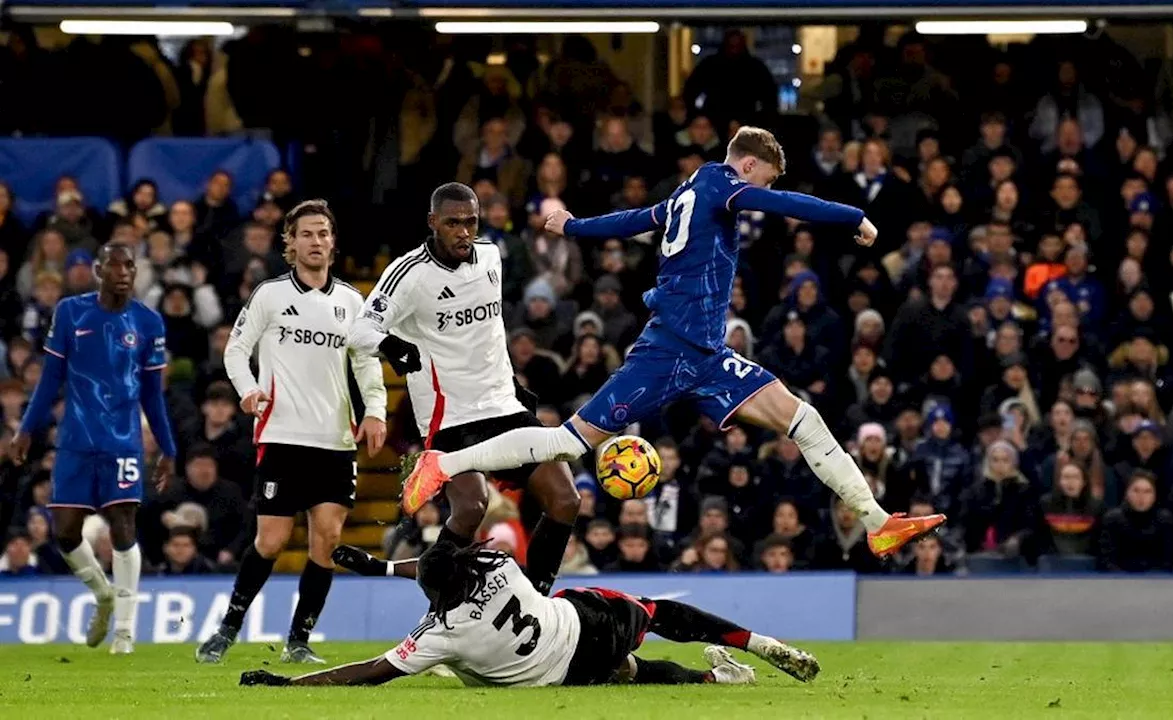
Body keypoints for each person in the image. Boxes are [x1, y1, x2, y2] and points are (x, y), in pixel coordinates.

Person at [403, 127, 945, 558]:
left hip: (708, 354)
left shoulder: (690, 191)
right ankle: (442, 466)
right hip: (670, 349)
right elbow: (785, 208)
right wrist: (855, 218)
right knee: (569, 443)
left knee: (802, 418)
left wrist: (574, 227)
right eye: (766, 181)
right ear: (749, 167)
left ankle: (878, 524)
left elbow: (638, 219)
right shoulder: (720, 185)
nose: (766, 192)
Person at [346, 183, 579, 596]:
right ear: (433, 222)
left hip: (503, 406)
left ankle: (537, 600)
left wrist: (511, 386)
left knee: (566, 500)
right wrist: (391, 344)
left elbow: (490, 331)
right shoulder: (408, 274)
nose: (463, 231)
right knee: (472, 506)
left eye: (470, 221)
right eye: (452, 223)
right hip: (450, 414)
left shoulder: (491, 256)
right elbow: (360, 328)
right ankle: (438, 609)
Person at [196, 200, 387, 665]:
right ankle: (228, 627)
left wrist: (376, 410)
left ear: (333, 242)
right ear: (290, 243)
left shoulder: (350, 302)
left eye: (323, 233)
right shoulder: (269, 296)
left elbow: (365, 362)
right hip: (282, 436)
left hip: (335, 442)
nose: (316, 241)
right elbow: (237, 350)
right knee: (272, 541)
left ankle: (299, 641)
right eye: (307, 234)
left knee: (326, 540)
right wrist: (246, 390)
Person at [242, 542, 818, 689]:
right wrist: (382, 567)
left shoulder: (442, 633)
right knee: (658, 611)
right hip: (586, 624)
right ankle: (756, 646)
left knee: (630, 674)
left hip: (567, 672)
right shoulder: (495, 561)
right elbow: (438, 563)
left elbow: (367, 671)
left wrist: (288, 681)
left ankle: (715, 679)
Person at [11, 242, 178, 654]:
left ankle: (124, 631)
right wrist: (27, 428)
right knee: (65, 532)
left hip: (123, 441)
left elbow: (154, 395)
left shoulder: (149, 322)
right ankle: (102, 594)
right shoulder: (71, 312)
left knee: (123, 526)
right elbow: (50, 379)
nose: (123, 272)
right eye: (115, 265)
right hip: (75, 441)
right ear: (98, 271)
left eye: (130, 265)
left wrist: (168, 448)